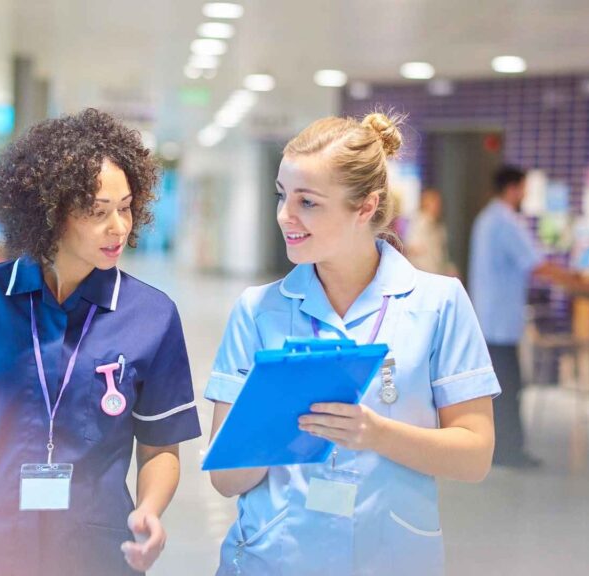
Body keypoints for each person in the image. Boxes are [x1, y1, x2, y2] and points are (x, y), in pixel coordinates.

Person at [0, 108, 202, 576]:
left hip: (96, 556)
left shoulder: (151, 316)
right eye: (98, 212)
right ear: (49, 211)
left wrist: (150, 509)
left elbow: (160, 448)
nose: (118, 227)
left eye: (126, 206)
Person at [205, 113, 499, 575]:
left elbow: (475, 456)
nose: (285, 216)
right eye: (282, 196)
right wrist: (269, 420)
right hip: (275, 557)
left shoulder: (439, 304)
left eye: (308, 202)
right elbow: (225, 479)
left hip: (390, 556)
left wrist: (376, 434)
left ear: (366, 207)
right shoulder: (258, 310)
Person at [469, 165, 561, 468]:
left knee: (499, 390)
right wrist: (575, 279)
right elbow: (535, 264)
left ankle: (498, 448)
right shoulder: (506, 221)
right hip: (500, 323)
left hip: (488, 317)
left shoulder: (487, 218)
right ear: (514, 188)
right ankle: (509, 451)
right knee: (509, 390)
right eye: (523, 188)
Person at [405, 187, 457, 276]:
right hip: (423, 276)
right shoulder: (418, 223)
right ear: (425, 202)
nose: (437, 206)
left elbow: (443, 256)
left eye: (438, 202)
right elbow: (412, 249)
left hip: (438, 275)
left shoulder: (439, 227)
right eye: (433, 202)